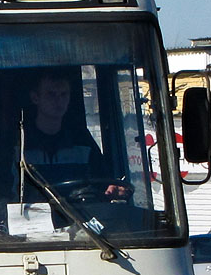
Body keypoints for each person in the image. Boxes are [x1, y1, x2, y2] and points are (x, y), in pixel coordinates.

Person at [14, 72, 128, 201]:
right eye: (51, 94)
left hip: (80, 216)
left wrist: (112, 188)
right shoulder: (20, 142)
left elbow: (102, 180)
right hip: (34, 218)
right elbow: (6, 192)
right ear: (35, 98)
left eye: (64, 95)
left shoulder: (82, 140)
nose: (59, 101)